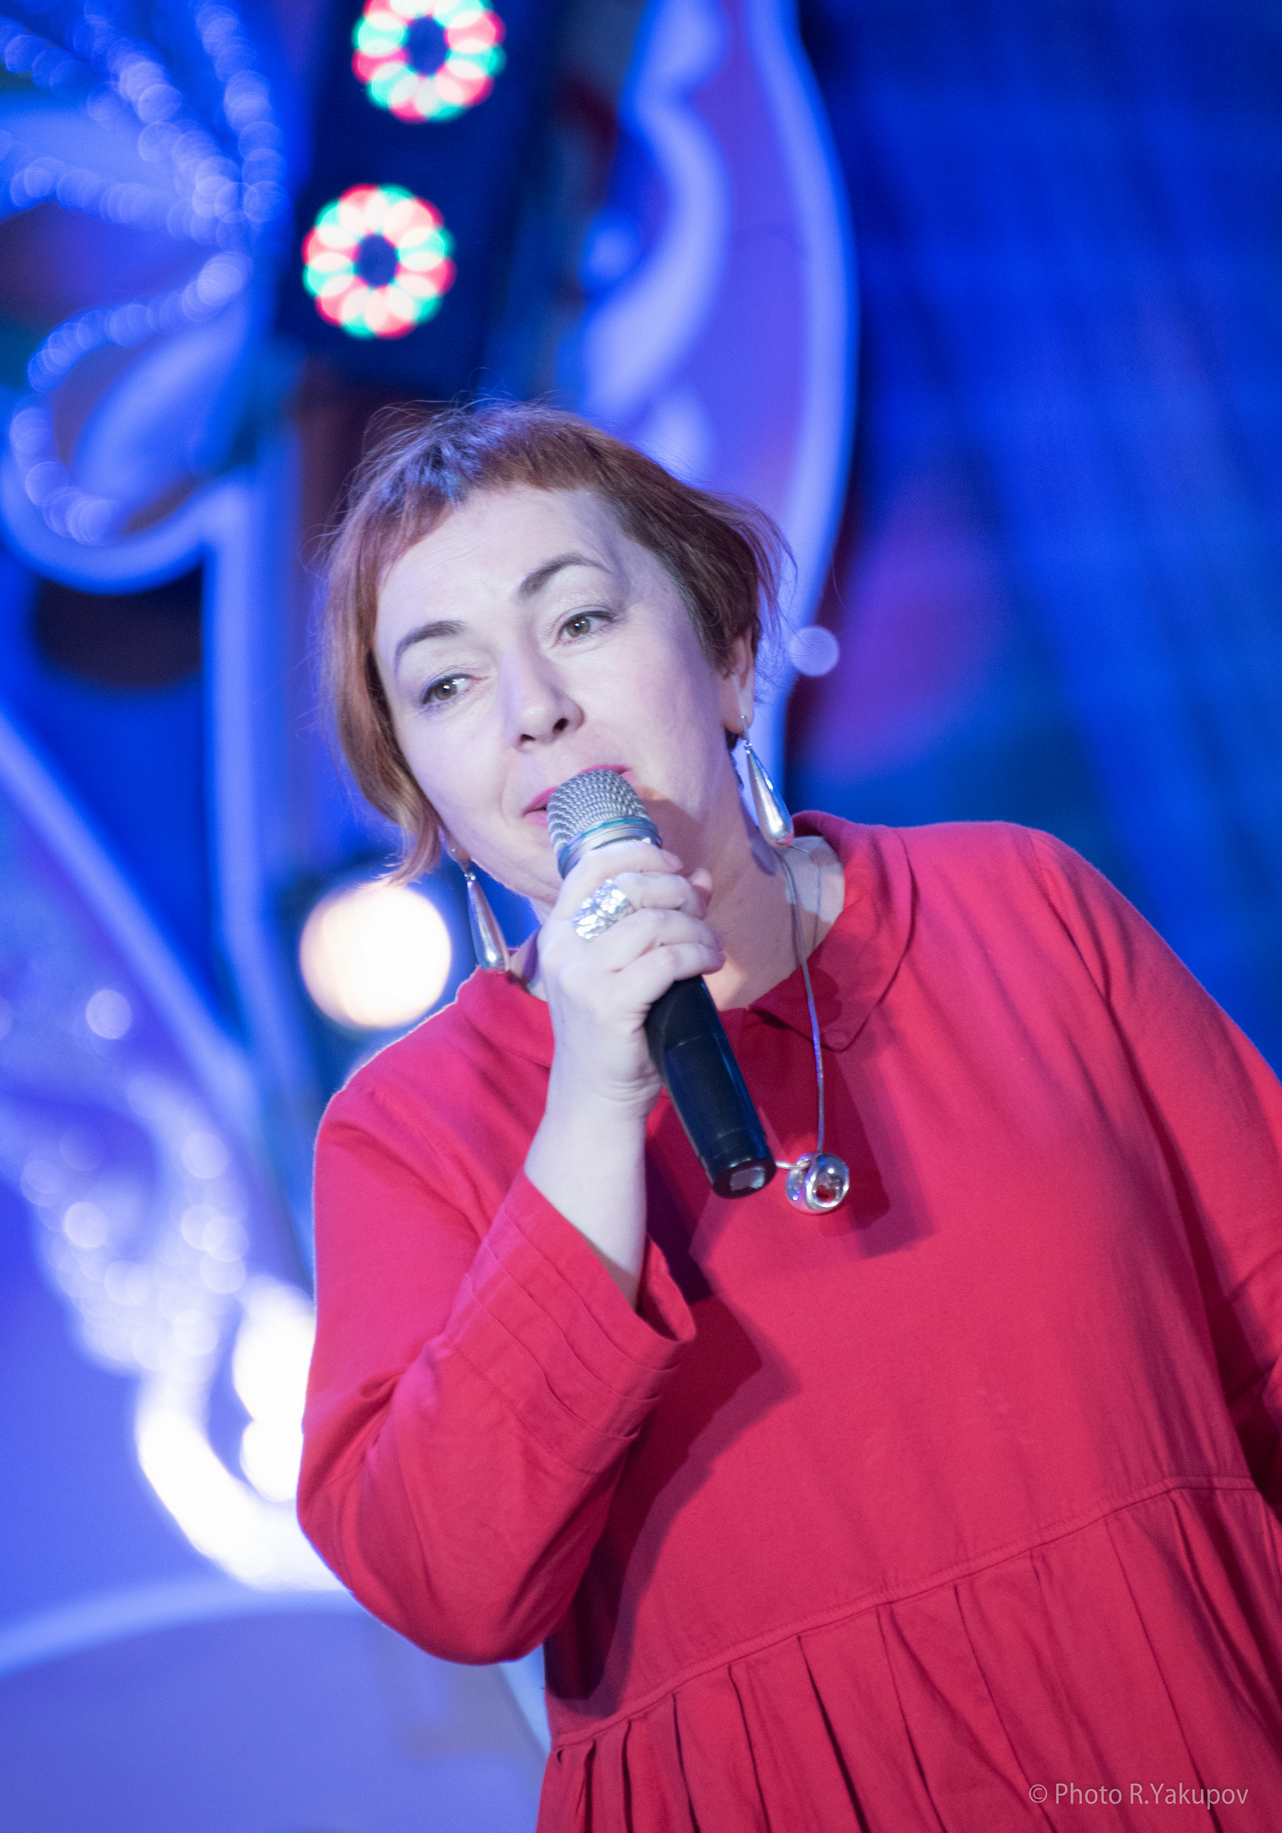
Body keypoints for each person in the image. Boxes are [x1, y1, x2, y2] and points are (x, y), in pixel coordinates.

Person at [299, 403, 1282, 1832]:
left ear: (728, 655)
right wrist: (592, 1101)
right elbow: (449, 1581)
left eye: (578, 621)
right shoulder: (409, 1132)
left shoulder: (1022, 908)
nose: (533, 708)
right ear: (427, 798)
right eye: (445, 685)